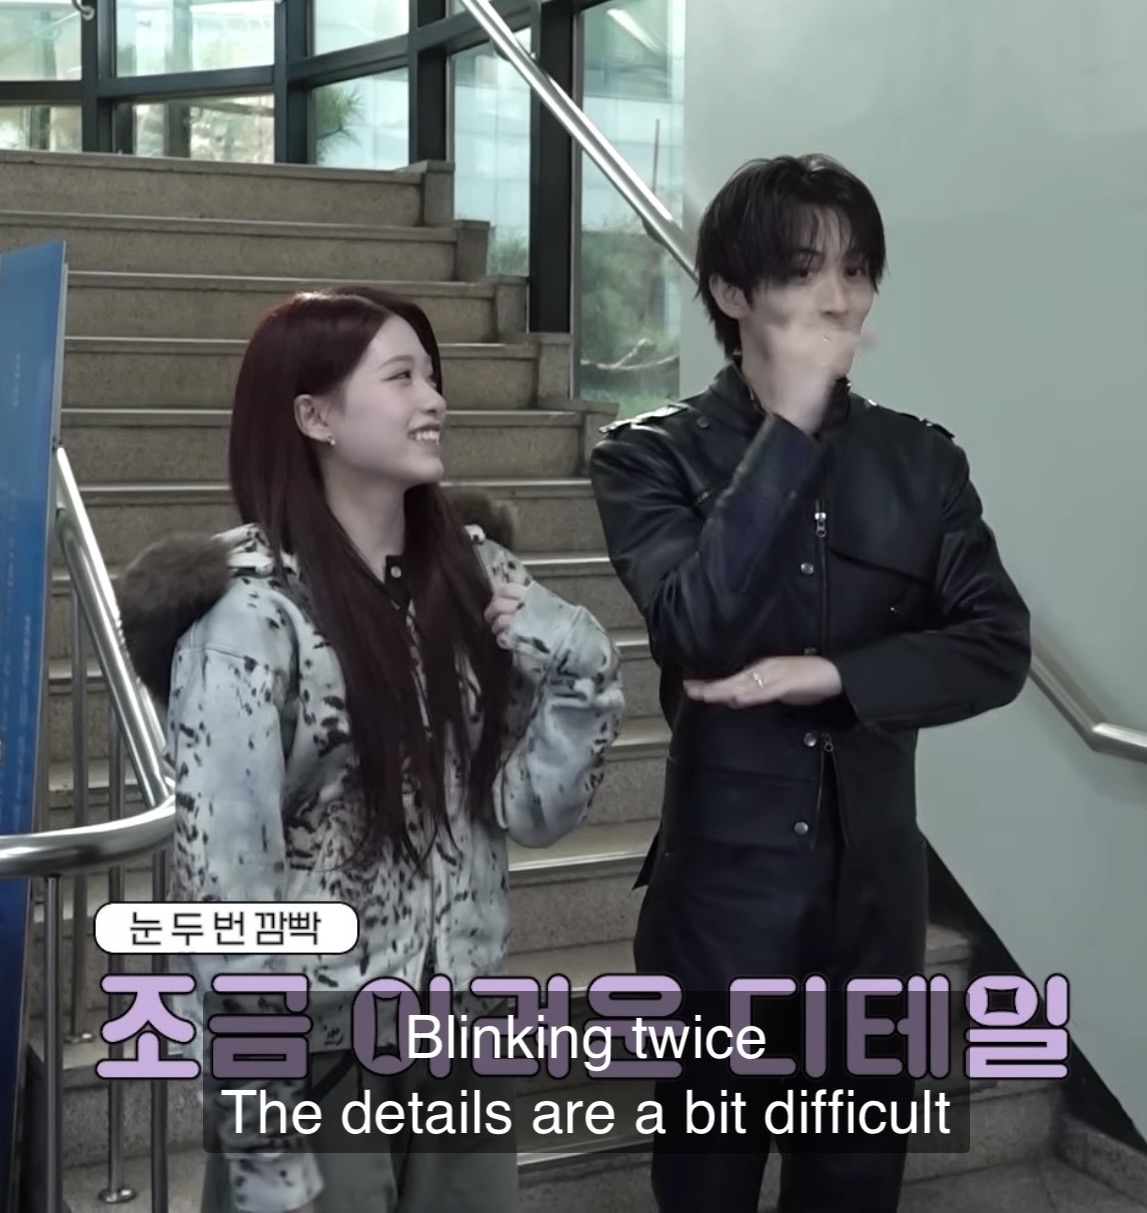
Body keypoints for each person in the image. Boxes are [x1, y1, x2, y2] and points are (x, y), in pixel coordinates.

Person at [115, 285, 625, 1213]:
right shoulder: (250, 619)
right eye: (401, 378)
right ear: (314, 416)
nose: (433, 400)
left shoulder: (477, 579)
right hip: (316, 1050)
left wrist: (581, 666)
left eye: (432, 376)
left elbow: (530, 810)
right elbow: (224, 889)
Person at [587, 154, 1031, 1212]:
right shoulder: (648, 457)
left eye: (855, 269)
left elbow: (995, 644)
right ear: (731, 291)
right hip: (722, 899)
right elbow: (693, 628)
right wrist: (785, 430)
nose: (836, 296)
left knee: (852, 1178)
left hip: (873, 900)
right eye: (800, 270)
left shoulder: (921, 461)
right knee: (708, 1174)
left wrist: (833, 672)